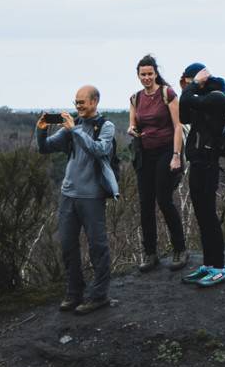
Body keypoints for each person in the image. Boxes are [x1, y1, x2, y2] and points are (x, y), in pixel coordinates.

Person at [36, 84, 119, 314]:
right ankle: (74, 292)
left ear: (94, 102)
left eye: (82, 102)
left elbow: (99, 150)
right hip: (68, 194)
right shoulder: (73, 126)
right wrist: (41, 130)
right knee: (67, 246)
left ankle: (99, 296)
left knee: (98, 246)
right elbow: (44, 148)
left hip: (92, 196)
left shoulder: (106, 126)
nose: (78, 106)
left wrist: (75, 131)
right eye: (76, 102)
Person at [127, 54, 187, 273]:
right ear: (138, 75)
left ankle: (180, 249)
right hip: (145, 154)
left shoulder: (167, 93)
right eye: (143, 74)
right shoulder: (135, 98)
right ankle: (150, 253)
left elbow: (178, 126)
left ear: (155, 73)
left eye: (150, 74)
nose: (146, 78)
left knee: (164, 200)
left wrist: (176, 155)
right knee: (145, 204)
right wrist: (132, 130)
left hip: (166, 151)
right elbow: (133, 124)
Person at [178, 63, 225, 287]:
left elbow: (186, 99)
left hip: (209, 164)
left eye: (189, 81)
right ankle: (209, 264)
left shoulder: (217, 97)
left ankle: (219, 267)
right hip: (197, 162)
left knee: (209, 216)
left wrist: (193, 85)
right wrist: (191, 88)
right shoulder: (200, 98)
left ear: (199, 79)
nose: (186, 86)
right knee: (201, 215)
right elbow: (183, 116)